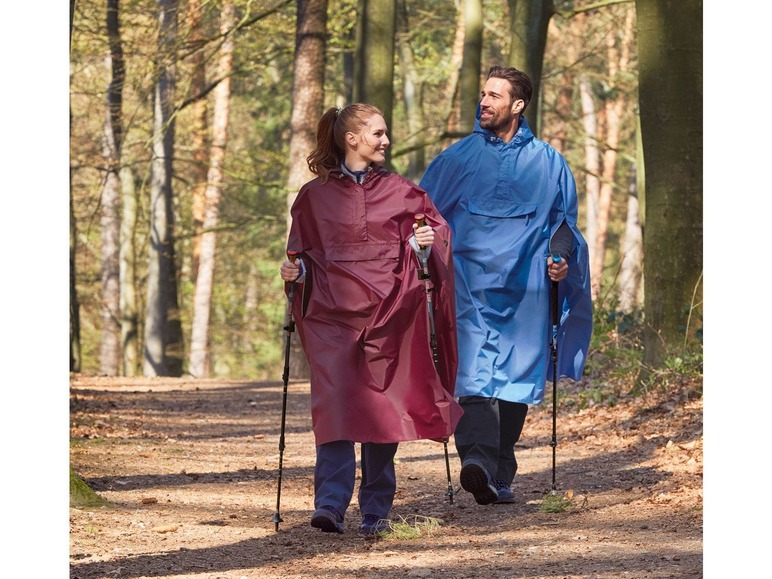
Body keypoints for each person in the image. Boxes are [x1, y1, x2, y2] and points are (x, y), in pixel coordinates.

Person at [279, 103, 462, 535]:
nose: (386, 141)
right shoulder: (314, 197)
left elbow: (436, 245)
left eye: (385, 133)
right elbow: (303, 254)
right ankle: (329, 505)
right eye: (378, 134)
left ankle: (376, 510)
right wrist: (296, 271)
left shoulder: (403, 192)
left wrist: (424, 244)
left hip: (391, 316)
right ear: (352, 138)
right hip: (331, 318)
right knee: (336, 408)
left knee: (384, 411)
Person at [418, 66, 593, 506]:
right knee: (474, 373)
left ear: (518, 105)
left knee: (515, 379)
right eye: (483, 94)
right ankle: (476, 462)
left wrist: (560, 262)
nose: (484, 101)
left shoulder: (549, 162)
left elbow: (564, 225)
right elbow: (422, 216)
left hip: (526, 292)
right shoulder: (455, 160)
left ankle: (499, 473)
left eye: (495, 95)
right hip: (468, 290)